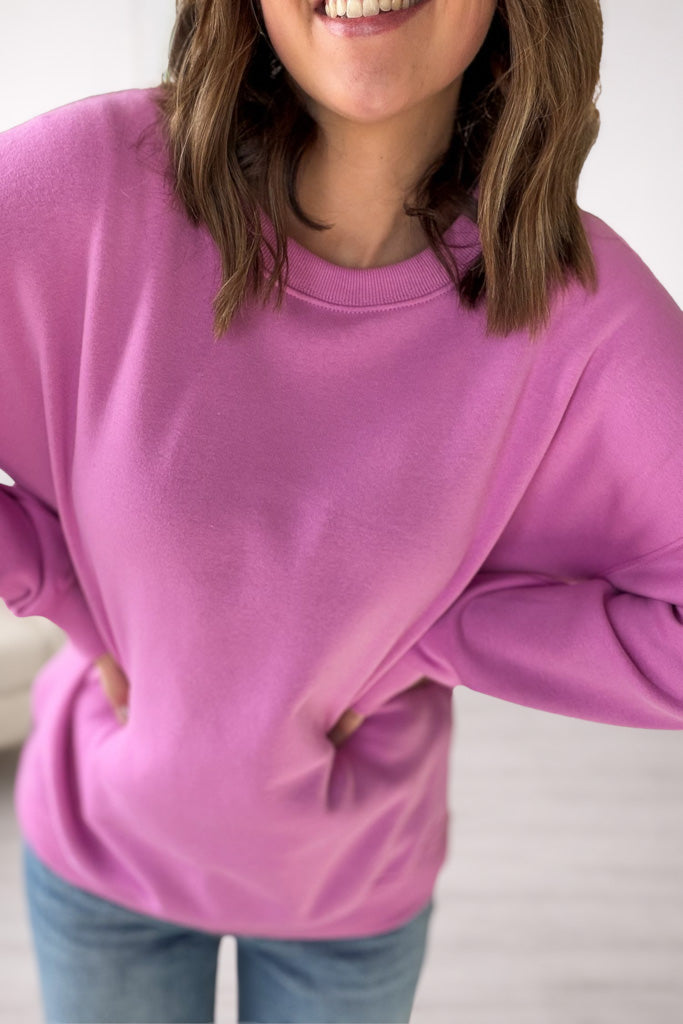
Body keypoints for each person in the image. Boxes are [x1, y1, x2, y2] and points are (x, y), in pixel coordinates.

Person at [2, 0, 682, 1021]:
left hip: (347, 886)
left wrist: (438, 630)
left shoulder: (576, 310)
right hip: (104, 843)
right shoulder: (83, 185)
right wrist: (61, 583)